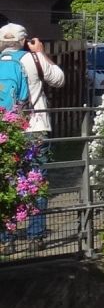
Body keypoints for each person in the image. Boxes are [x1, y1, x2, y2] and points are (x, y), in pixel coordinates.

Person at [0, 24, 64, 239]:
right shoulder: (33, 59)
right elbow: (59, 79)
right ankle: (35, 235)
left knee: (7, 180)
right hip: (35, 127)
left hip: (5, 130)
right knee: (36, 179)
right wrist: (40, 53)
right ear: (23, 41)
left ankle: (5, 238)